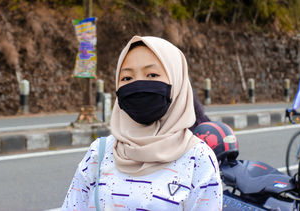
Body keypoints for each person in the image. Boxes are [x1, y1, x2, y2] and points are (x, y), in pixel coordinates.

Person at [61, 36, 222, 210]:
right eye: (127, 78)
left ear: (177, 82)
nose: (138, 85)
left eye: (152, 75)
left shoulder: (198, 158)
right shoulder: (98, 154)